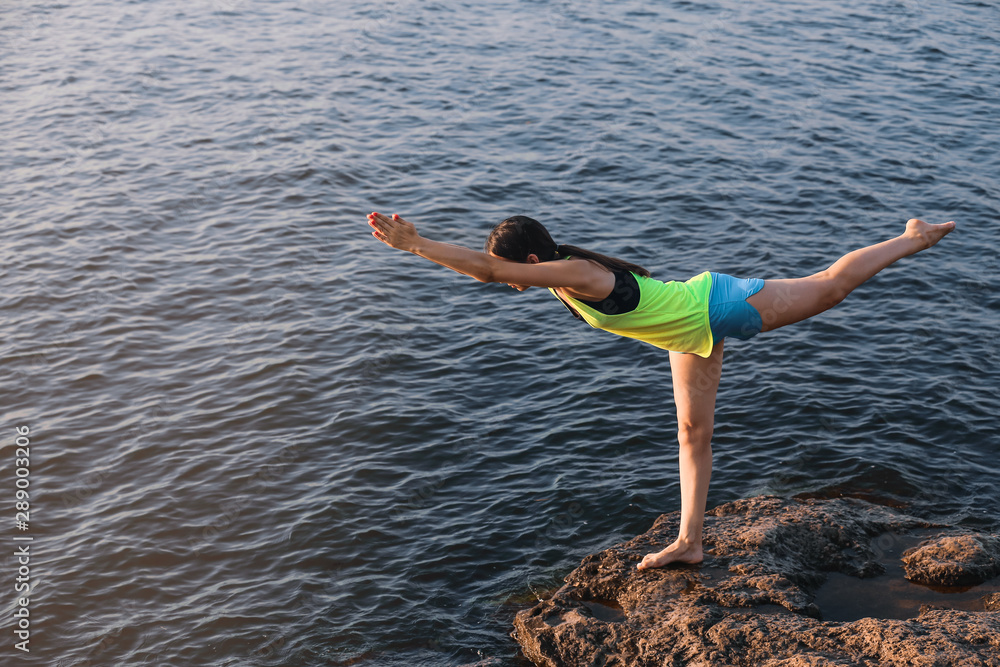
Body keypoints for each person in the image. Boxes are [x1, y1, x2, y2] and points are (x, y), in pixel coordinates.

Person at [366, 211, 955, 570]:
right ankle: (689, 542)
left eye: (514, 269)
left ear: (532, 259)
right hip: (688, 331)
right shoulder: (561, 274)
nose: (510, 280)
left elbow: (489, 270)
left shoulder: (575, 273)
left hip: (716, 305)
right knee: (692, 435)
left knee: (828, 287)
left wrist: (414, 245)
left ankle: (912, 238)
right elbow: (492, 270)